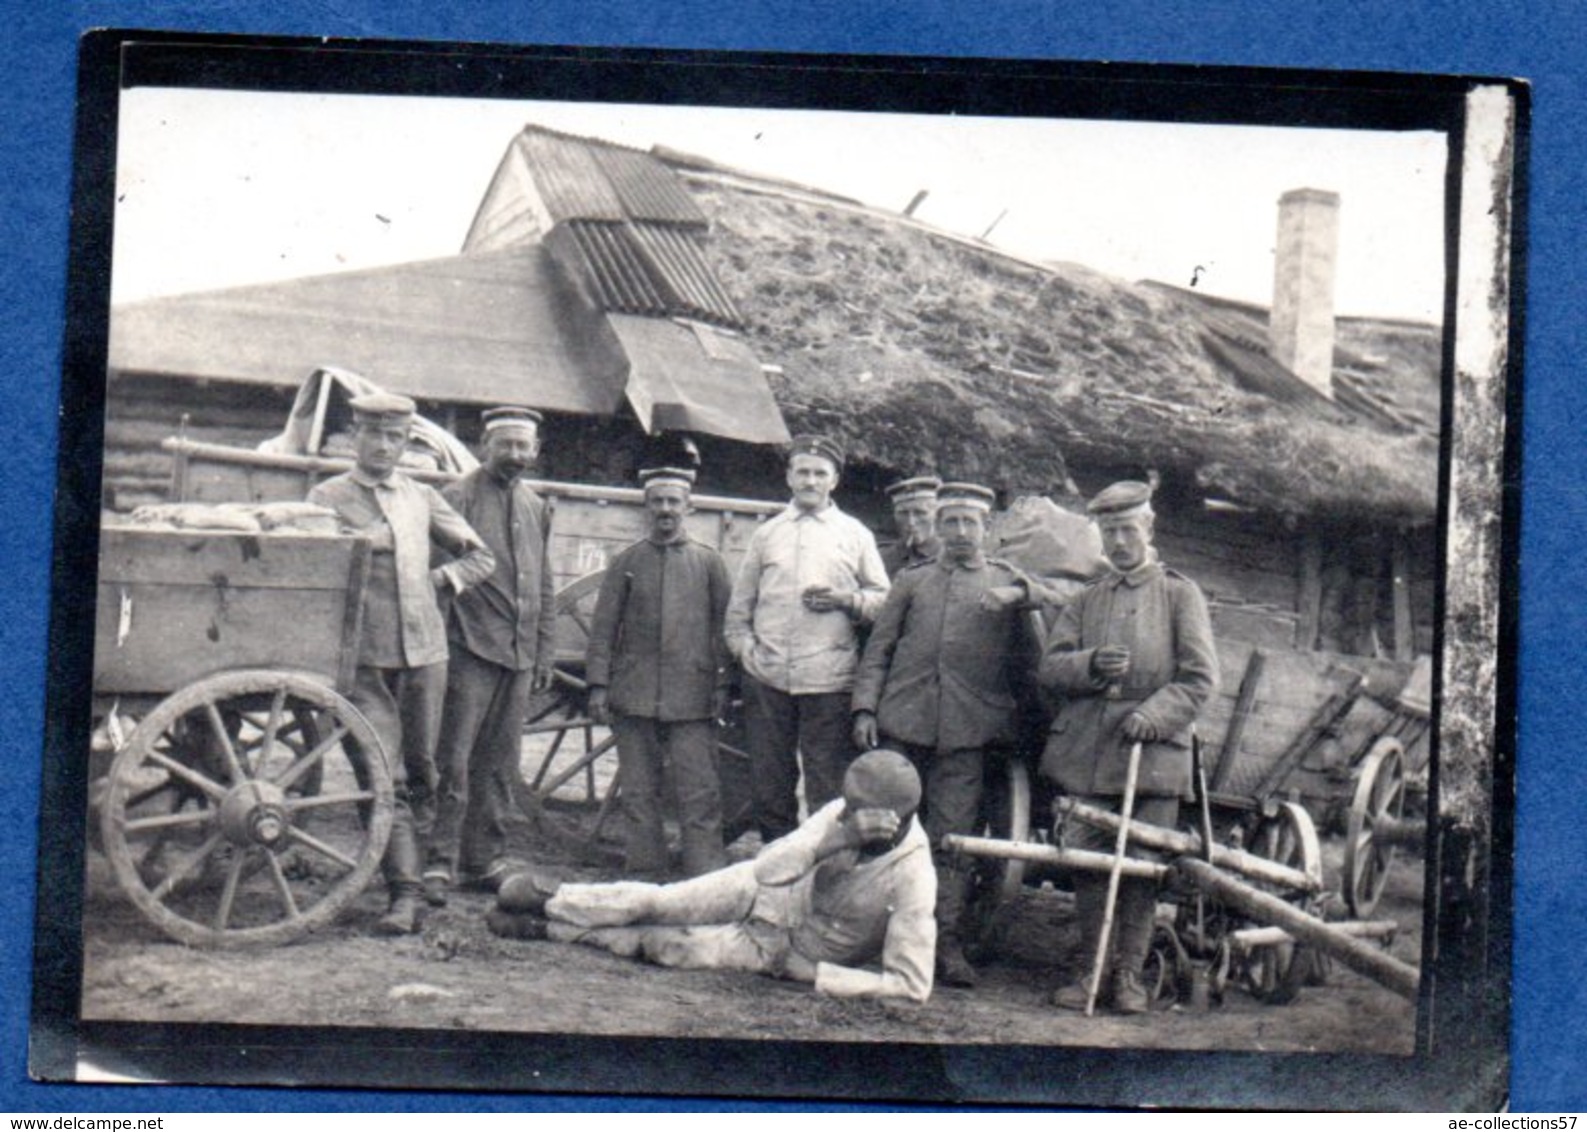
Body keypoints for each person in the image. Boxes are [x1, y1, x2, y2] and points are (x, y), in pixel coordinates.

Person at [484, 749, 938, 1003]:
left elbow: (912, 986)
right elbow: (768, 869)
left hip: (779, 950)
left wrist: (818, 974)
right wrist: (837, 838)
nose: (850, 815)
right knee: (660, 902)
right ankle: (553, 897)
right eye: (849, 806)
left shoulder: (913, 876)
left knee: (663, 946)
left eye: (863, 814)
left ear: (897, 819)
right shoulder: (841, 814)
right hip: (758, 891)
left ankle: (548, 930)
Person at [307, 392, 496, 935]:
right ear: (355, 437)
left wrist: (441, 580)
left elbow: (480, 556)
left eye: (396, 438)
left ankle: (417, 871)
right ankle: (403, 892)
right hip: (363, 660)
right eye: (375, 435)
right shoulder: (327, 496)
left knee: (423, 771)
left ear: (405, 442)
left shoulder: (420, 497)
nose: (385, 446)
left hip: (424, 656)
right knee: (378, 772)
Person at [1038, 481, 1218, 1013]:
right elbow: (1050, 668)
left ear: (1149, 529)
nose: (1118, 542)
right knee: (1092, 866)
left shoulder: (1180, 594)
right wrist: (1089, 664)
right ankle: (1088, 973)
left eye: (1127, 529)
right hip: (1091, 753)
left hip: (1154, 757)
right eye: (1109, 531)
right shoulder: (1087, 598)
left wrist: (1153, 715)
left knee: (1141, 871)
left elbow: (1200, 678)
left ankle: (1129, 980)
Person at [851, 482, 1040, 987]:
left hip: (967, 734)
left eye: (969, 522)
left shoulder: (1008, 584)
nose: (959, 532)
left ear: (987, 528)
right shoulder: (912, 582)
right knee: (886, 831)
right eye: (950, 521)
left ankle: (943, 943)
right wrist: (866, 707)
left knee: (950, 841)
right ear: (938, 526)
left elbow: (1030, 664)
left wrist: (1018, 731)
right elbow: (880, 649)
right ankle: (872, 933)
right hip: (903, 725)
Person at [723, 435, 889, 844]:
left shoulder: (855, 534)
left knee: (827, 785)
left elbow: (885, 601)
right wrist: (746, 653)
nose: (810, 481)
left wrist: (846, 600)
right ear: (789, 477)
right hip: (769, 678)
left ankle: (822, 868)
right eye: (803, 472)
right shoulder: (768, 535)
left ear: (834, 480)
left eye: (820, 473)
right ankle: (779, 865)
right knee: (770, 781)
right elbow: (739, 610)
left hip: (828, 680)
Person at [421, 406, 558, 903]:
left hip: (518, 656)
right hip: (468, 649)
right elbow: (435, 580)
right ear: (485, 445)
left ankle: (484, 860)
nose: (515, 455)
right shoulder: (455, 498)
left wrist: (543, 651)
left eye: (524, 446)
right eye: (506, 445)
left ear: (536, 452)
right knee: (452, 760)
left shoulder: (537, 506)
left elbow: (542, 582)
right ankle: (436, 861)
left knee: (501, 763)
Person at [585, 465, 733, 878]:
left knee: (699, 790)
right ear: (646, 507)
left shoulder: (710, 563)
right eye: (657, 502)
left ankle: (704, 875)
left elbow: (725, 631)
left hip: (693, 697)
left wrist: (722, 685)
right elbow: (602, 629)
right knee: (638, 791)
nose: (665, 509)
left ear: (688, 507)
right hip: (634, 695)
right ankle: (644, 872)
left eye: (673, 502)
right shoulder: (627, 562)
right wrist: (598, 685)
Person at [879, 475, 942, 577]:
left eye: (920, 513)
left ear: (937, 515)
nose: (911, 522)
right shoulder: (882, 558)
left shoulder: (950, 556)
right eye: (903, 513)